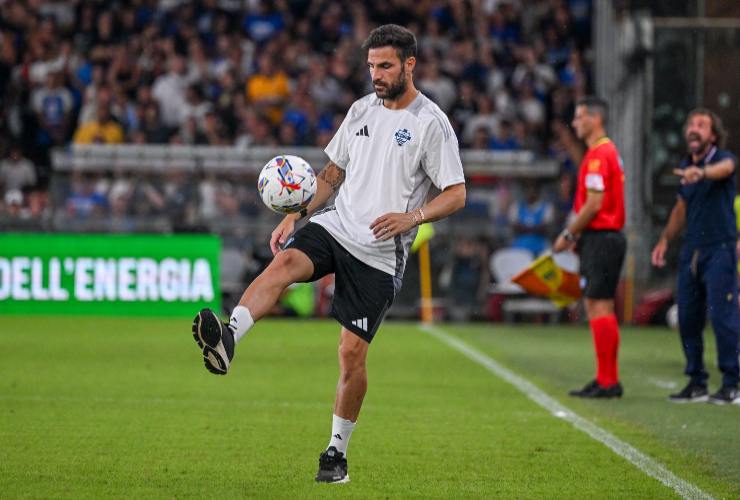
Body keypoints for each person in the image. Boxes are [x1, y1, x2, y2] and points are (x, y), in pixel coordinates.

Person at [189, 24, 466, 483]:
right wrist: (296, 214)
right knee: (283, 264)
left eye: (385, 66)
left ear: (409, 65)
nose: (376, 74)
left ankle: (336, 453)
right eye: (371, 66)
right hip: (336, 224)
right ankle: (230, 334)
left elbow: (456, 194)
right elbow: (332, 175)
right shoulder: (361, 110)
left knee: (350, 355)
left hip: (379, 251)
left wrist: (413, 218)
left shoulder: (430, 124)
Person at [651, 108, 739, 405]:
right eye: (690, 123)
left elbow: (725, 170)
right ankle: (697, 381)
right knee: (687, 317)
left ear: (713, 134)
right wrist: (664, 239)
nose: (693, 128)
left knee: (723, 317)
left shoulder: (721, 160)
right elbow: (680, 209)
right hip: (692, 251)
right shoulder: (685, 165)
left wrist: (701, 173)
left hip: (720, 248)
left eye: (701, 124)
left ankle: (732, 383)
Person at [553, 96, 626, 399]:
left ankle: (608, 380)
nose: (575, 123)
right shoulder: (606, 153)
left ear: (595, 119)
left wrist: (569, 234)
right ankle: (606, 378)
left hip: (603, 237)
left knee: (599, 305)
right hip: (602, 237)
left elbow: (595, 204)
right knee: (599, 305)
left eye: (580, 117)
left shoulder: (598, 155)